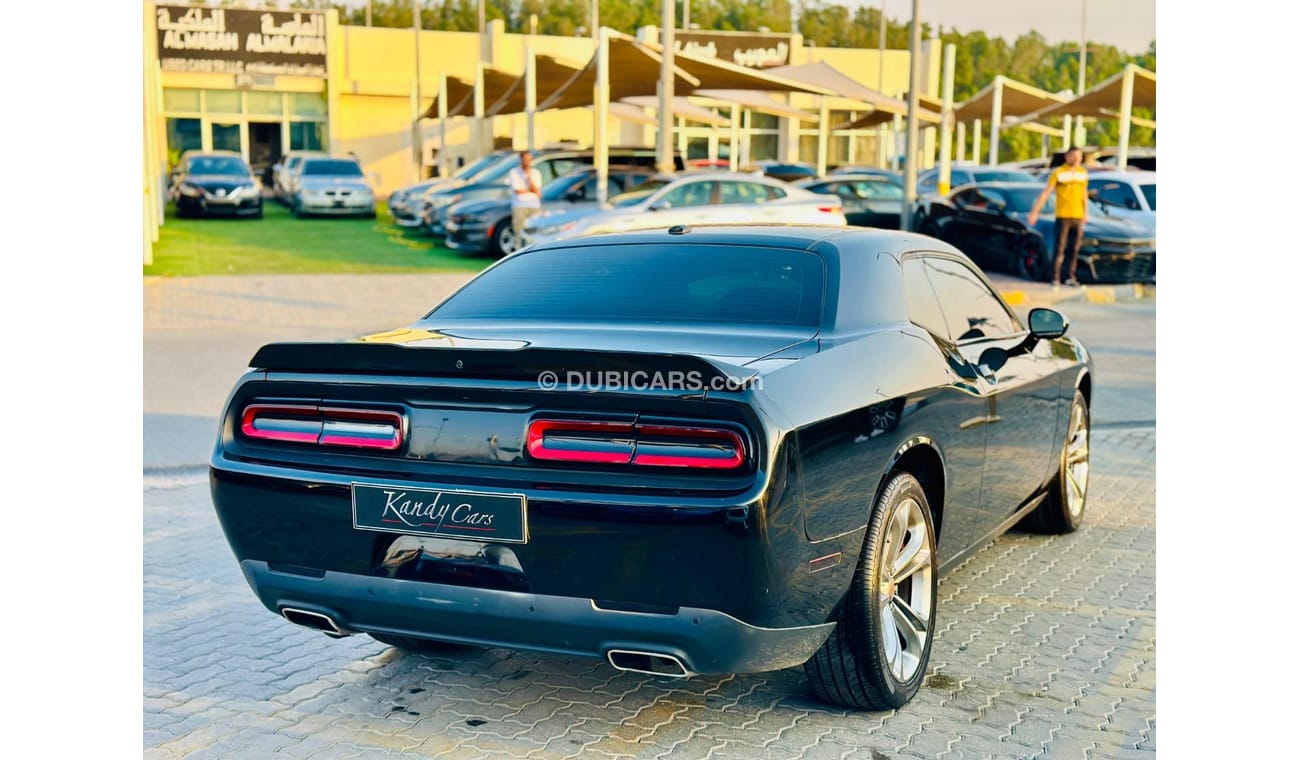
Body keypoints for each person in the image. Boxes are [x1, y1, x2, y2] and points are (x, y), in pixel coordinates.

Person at [1029, 145, 1089, 287]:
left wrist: (1086, 212)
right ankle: (1055, 277)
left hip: (1078, 215)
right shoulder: (1059, 173)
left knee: (1074, 248)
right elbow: (1046, 192)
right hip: (1063, 215)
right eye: (1073, 155)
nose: (1076, 159)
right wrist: (1035, 212)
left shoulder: (1083, 173)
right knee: (1060, 247)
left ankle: (1070, 276)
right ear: (1067, 157)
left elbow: (1084, 194)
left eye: (1078, 156)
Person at [508, 151, 543, 245]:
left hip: (534, 206)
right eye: (525, 159)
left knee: (535, 233)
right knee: (519, 232)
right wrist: (531, 190)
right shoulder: (514, 172)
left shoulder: (536, 173)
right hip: (519, 206)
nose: (527, 162)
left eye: (529, 159)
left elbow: (537, 191)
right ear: (521, 159)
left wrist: (529, 177)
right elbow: (518, 191)